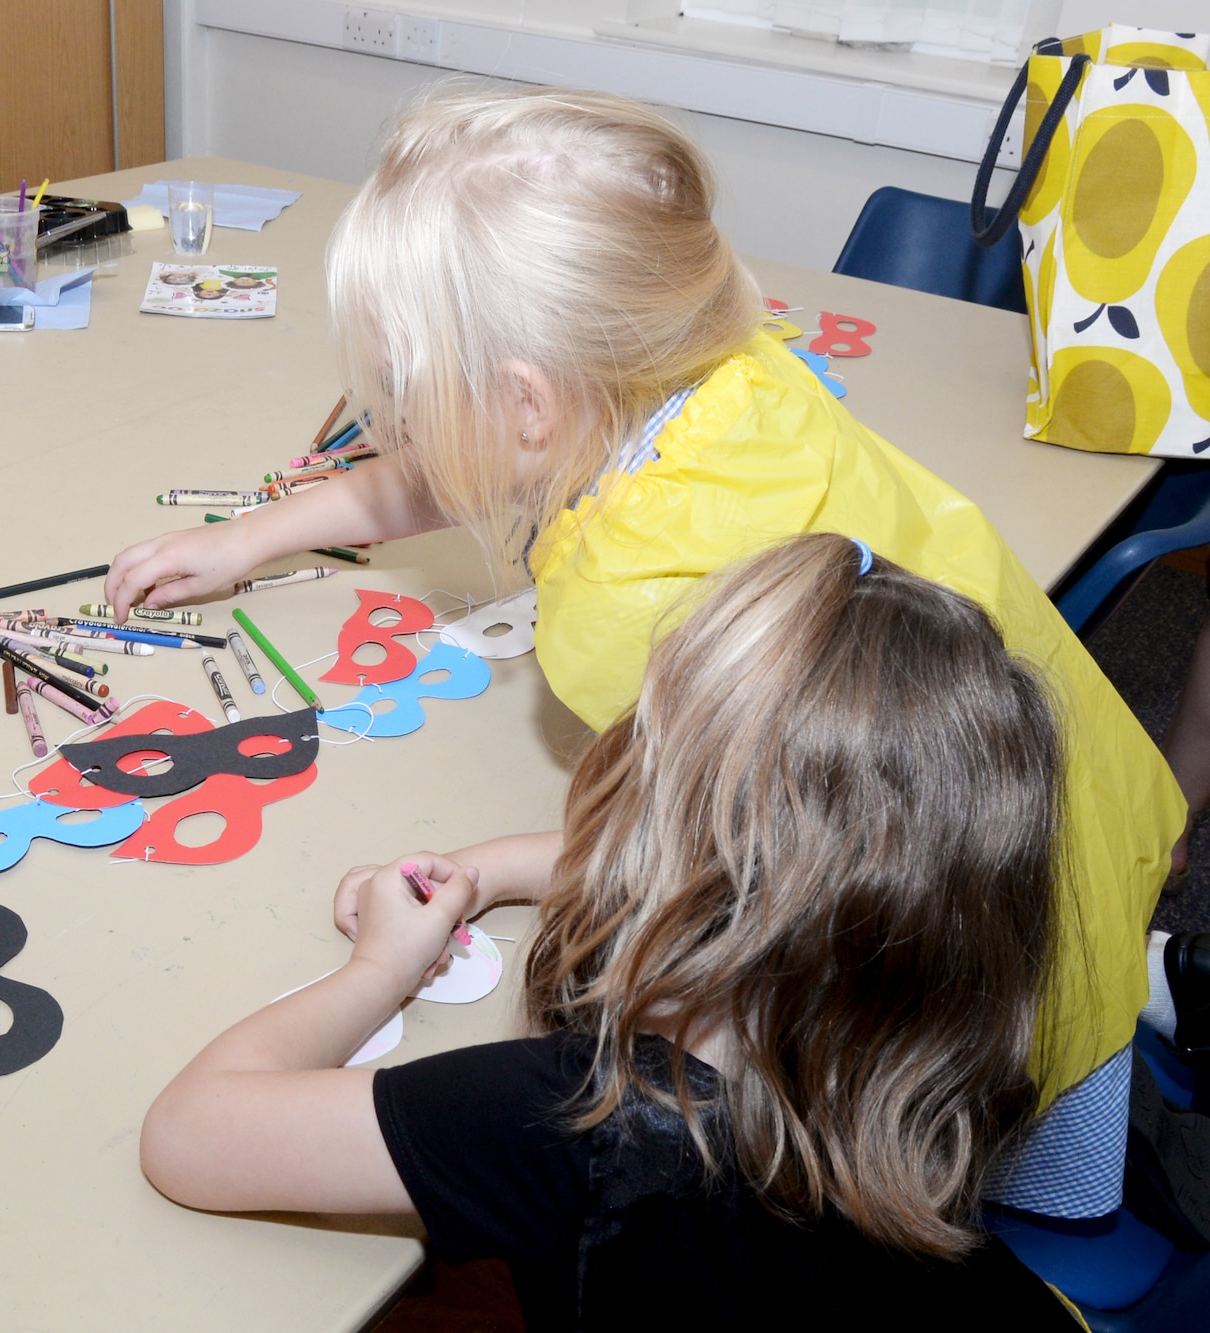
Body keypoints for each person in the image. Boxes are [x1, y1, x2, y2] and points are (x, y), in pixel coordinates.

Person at [106, 84, 1186, 1220]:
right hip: (1072, 791)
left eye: (403, 398)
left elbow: (742, 864)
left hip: (968, 962)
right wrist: (249, 537)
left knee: (994, 1193)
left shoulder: (642, 602)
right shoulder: (712, 371)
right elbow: (474, 463)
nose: (392, 425)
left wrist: (509, 862)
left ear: (525, 403)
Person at [143, 535, 1082, 1327]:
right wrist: (482, 870)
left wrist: (381, 967)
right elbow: (762, 876)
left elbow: (189, 1136)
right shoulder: (913, 1043)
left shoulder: (584, 1120)